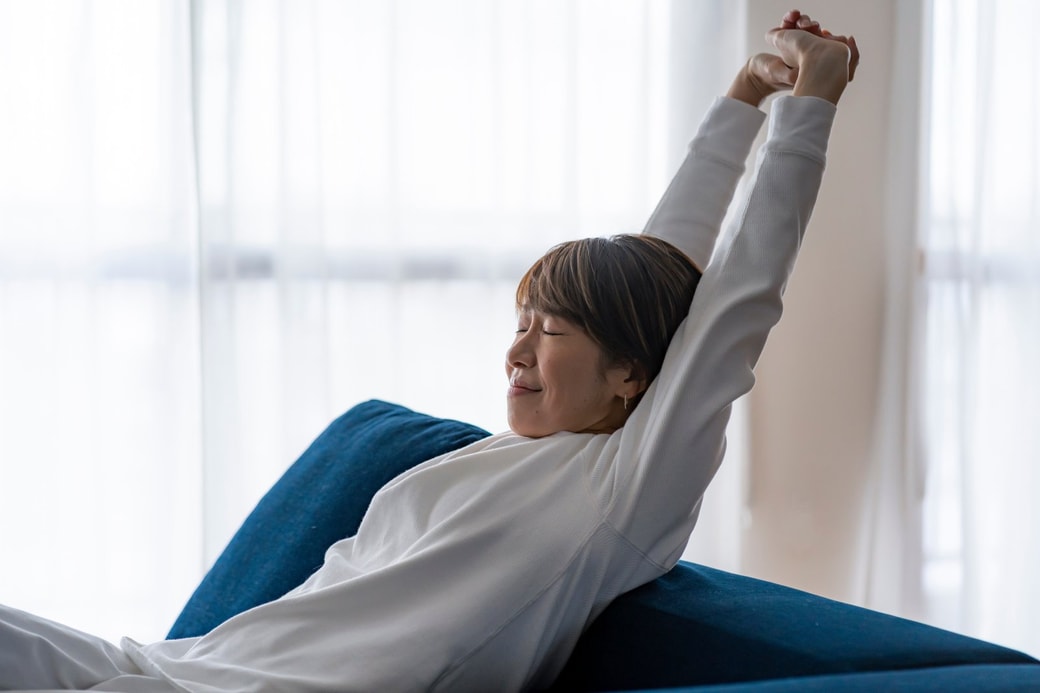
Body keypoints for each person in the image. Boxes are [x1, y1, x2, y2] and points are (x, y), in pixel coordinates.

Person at [0, 10, 859, 692]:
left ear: (632, 374)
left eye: (552, 331)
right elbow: (654, 273)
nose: (520, 348)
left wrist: (809, 106)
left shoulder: (623, 489)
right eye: (523, 320)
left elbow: (736, 300)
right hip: (170, 668)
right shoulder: (506, 455)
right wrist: (744, 97)